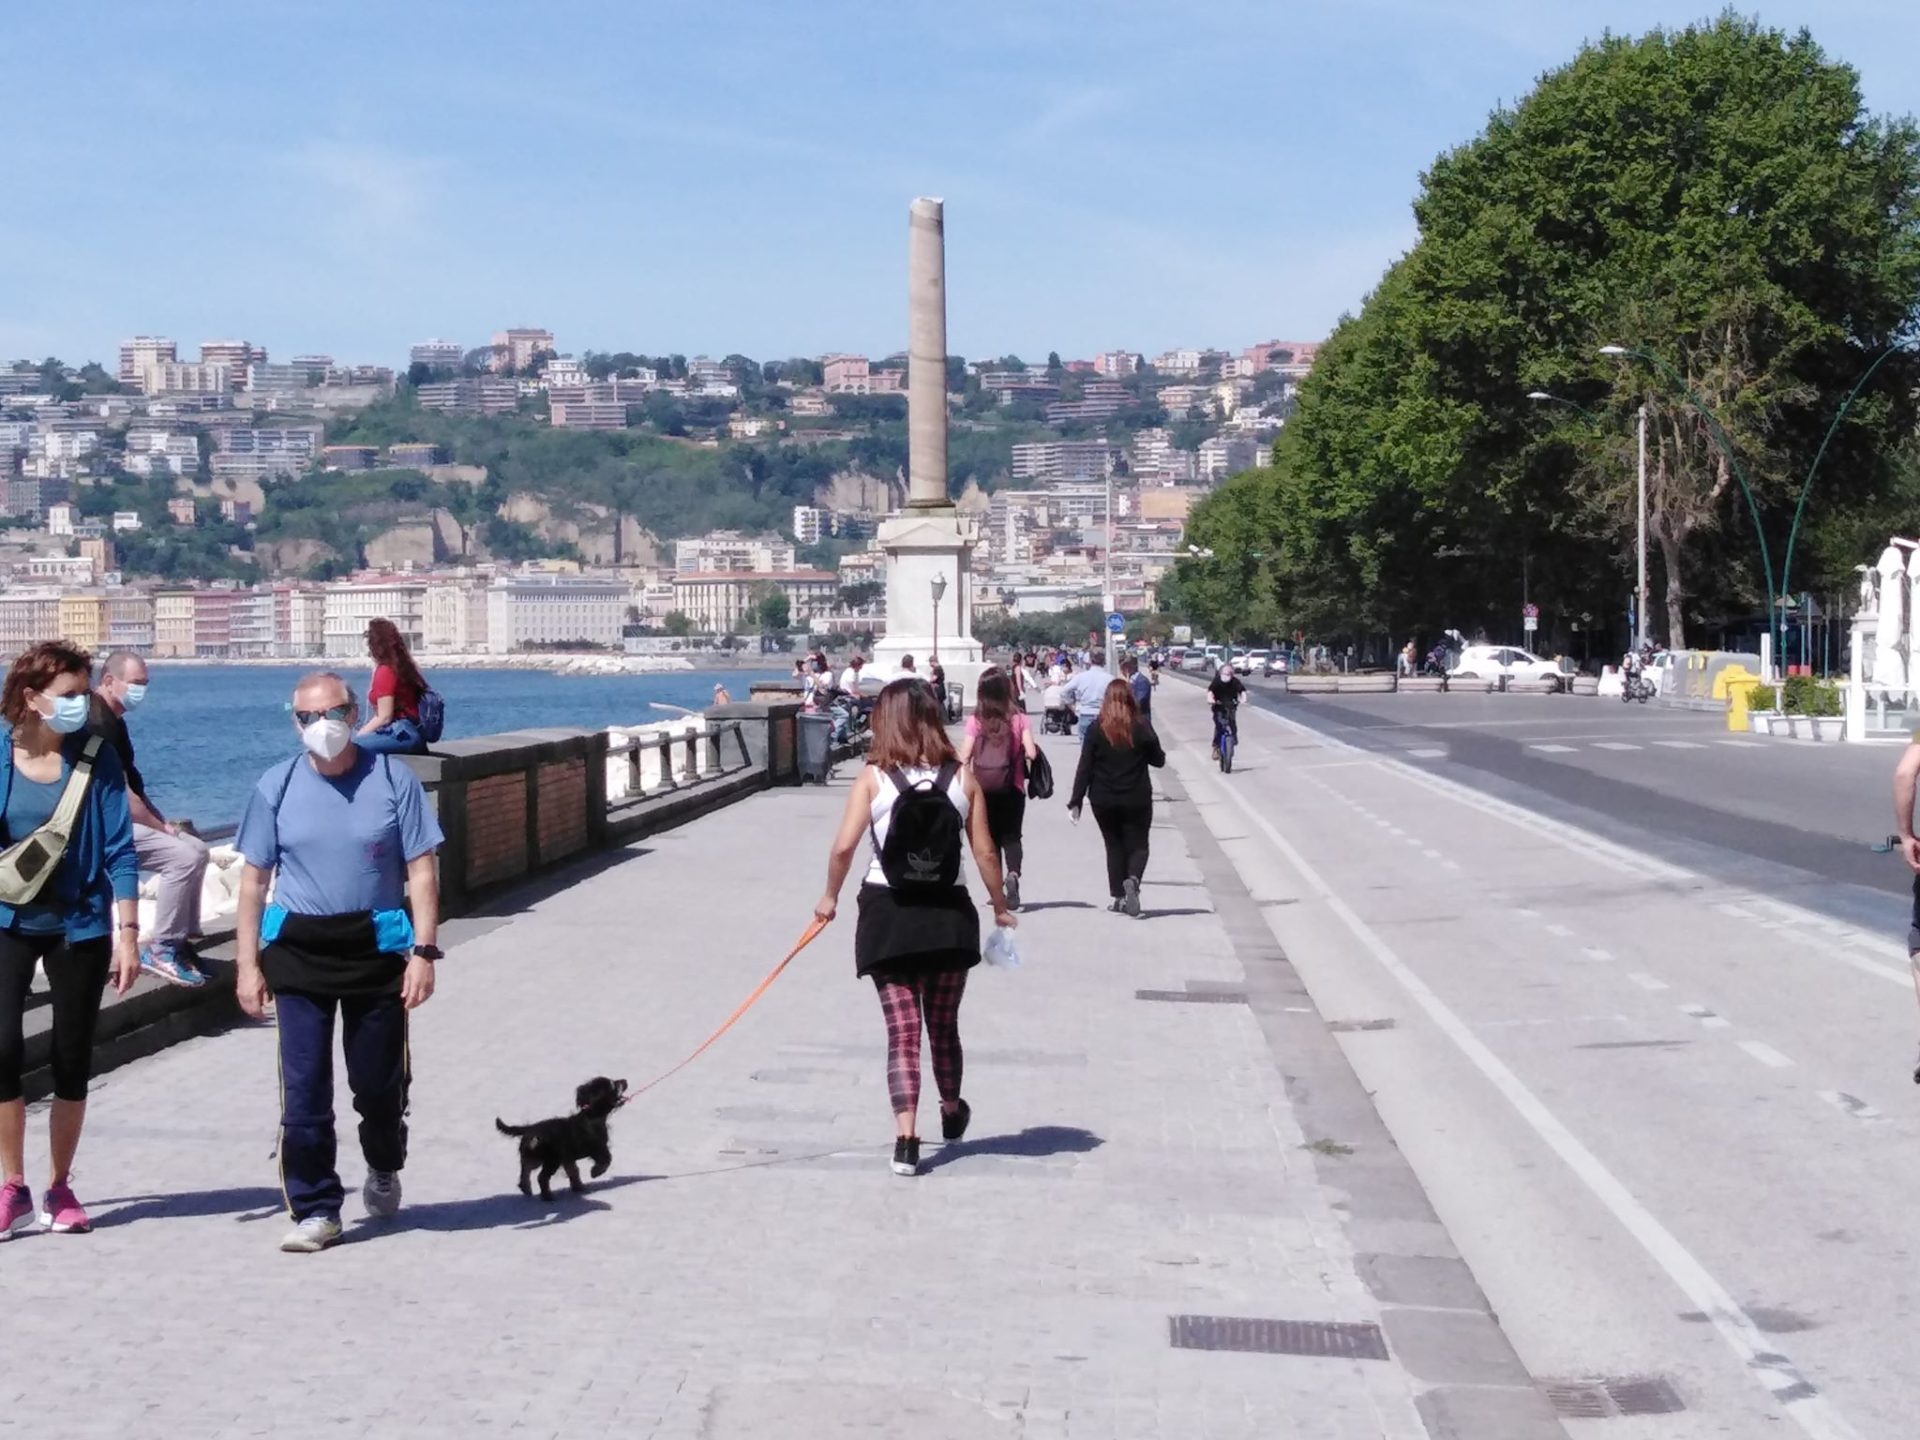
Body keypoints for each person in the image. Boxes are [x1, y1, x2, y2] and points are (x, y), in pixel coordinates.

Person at [235, 671, 445, 1253]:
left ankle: (384, 1160)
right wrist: (246, 965)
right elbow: (253, 882)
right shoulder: (275, 786)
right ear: (294, 722)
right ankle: (317, 1209)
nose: (320, 726)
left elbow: (422, 870)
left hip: (375, 949)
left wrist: (424, 952)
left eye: (331, 714)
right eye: (307, 717)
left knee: (377, 1087)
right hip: (298, 953)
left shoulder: (393, 780)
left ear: (353, 715)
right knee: (304, 1093)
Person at [815, 680, 1014, 1178]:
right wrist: (999, 906)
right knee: (943, 1026)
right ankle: (951, 1108)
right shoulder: (962, 778)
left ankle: (906, 1140)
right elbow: (985, 852)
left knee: (902, 1034)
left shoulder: (873, 778)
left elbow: (843, 847)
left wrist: (830, 897)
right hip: (948, 917)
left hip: (889, 915)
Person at [0, 641, 141, 1239]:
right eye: (70, 694)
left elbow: (121, 851)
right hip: (8, 921)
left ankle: (60, 1187)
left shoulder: (96, 757)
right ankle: (12, 1187)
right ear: (32, 698)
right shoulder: (2, 755)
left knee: (71, 1055)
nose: (82, 704)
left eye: (85, 692)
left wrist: (128, 932)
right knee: (2, 1050)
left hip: (80, 924)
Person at [89, 651, 212, 988]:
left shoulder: (115, 721)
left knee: (199, 850)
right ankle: (161, 949)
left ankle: (180, 941)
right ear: (109, 681)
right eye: (136, 683)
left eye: (145, 684)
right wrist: (162, 830)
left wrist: (162, 821)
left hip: (120, 820)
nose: (142, 690)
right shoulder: (97, 723)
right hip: (101, 828)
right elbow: (123, 797)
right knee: (183, 857)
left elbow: (136, 788)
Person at [1069, 679, 1166, 918]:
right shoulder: (1141, 726)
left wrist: (1076, 800)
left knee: (1113, 845)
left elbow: (1085, 766)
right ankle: (1133, 879)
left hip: (1103, 798)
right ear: (1131, 699)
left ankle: (1119, 897)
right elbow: (1159, 760)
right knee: (1139, 845)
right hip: (1136, 796)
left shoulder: (1096, 728)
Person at [958, 667, 1039, 911]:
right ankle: (1013, 874)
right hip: (1013, 786)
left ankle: (997, 892)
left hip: (983, 789)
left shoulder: (976, 720)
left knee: (990, 839)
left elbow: (964, 756)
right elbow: (1031, 752)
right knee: (1012, 836)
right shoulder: (1019, 718)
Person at [358, 617, 431, 756]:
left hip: (401, 733)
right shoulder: (399, 667)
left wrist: (359, 736)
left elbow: (384, 717)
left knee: (350, 749)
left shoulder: (386, 671)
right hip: (410, 731)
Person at [1059, 649, 1114, 741]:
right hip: (1104, 715)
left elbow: (1064, 691)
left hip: (1086, 714)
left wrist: (1072, 705)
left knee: (1086, 746)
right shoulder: (1110, 679)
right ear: (1104, 660)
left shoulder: (1081, 677)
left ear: (1090, 660)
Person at [1208, 661, 1248, 759]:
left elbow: (1242, 691)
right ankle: (1216, 747)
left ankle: (1233, 738)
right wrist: (1210, 699)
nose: (1227, 675)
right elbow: (1210, 692)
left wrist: (1243, 699)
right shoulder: (1217, 681)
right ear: (1221, 673)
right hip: (1218, 707)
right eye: (1225, 673)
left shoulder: (1235, 681)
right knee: (1219, 726)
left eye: (1229, 673)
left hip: (1231, 706)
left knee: (1232, 722)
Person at [1122, 655, 1152, 722]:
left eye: (1128, 666)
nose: (1126, 669)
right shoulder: (1130, 679)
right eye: (1125, 666)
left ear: (1134, 666)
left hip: (1141, 719)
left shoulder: (1142, 681)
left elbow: (1139, 701)